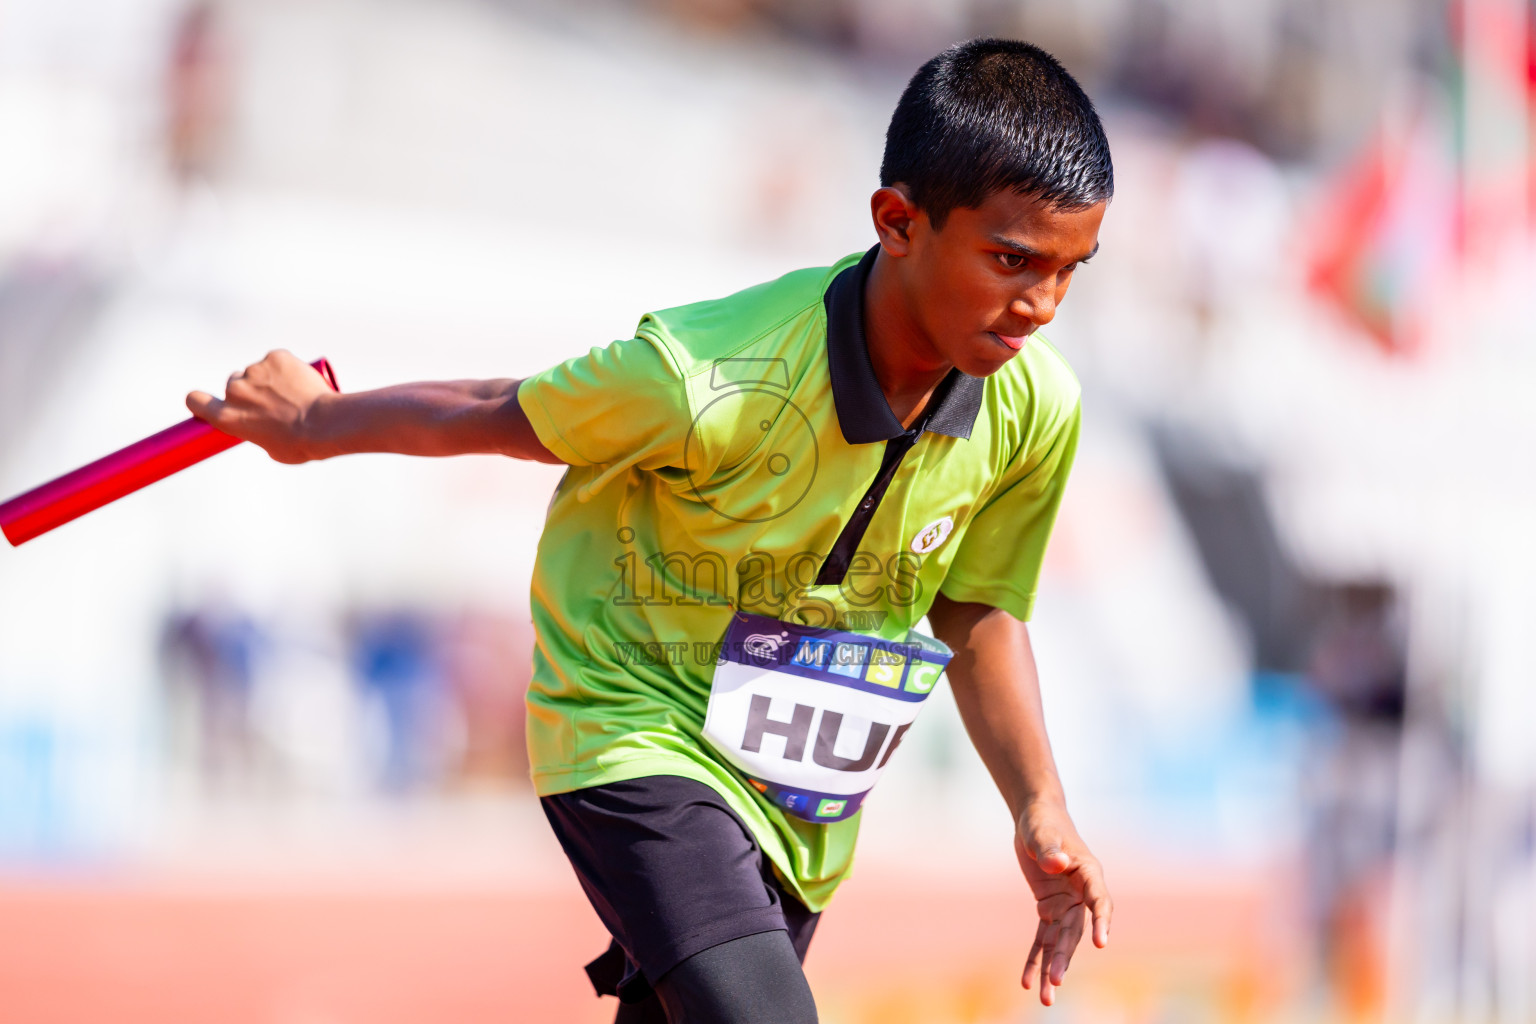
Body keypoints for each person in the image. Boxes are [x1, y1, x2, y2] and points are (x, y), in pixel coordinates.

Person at [188, 38, 1115, 1022]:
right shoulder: (708, 374)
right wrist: (314, 423)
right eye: (1013, 260)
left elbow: (975, 611)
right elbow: (498, 408)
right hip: (634, 728)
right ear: (898, 220)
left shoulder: (1036, 406)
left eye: (1070, 270)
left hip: (795, 800)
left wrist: (1037, 801)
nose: (1042, 305)